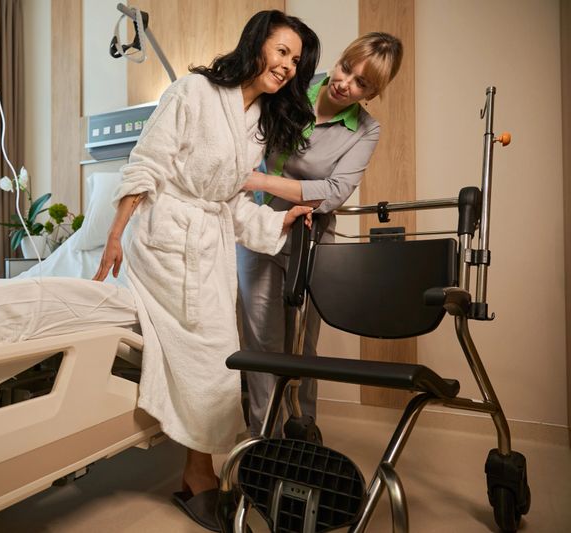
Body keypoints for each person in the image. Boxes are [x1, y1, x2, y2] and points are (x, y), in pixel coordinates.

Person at [92, 10, 319, 531]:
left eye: (296, 61)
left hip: (209, 247)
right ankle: (201, 477)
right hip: (165, 239)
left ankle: (202, 473)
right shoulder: (192, 92)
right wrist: (113, 235)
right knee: (212, 356)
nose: (287, 66)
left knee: (222, 358)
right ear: (257, 44)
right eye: (281, 51)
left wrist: (278, 219)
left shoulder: (257, 125)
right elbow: (146, 162)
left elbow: (232, 204)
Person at [238, 32, 404, 438]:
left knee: (301, 350)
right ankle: (265, 443)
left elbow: (333, 193)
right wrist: (270, 187)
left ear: (374, 91)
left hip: (310, 243)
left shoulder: (366, 130)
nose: (345, 83)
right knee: (262, 346)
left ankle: (301, 434)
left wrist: (259, 179)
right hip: (259, 230)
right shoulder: (293, 85)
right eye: (347, 68)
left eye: (362, 83)